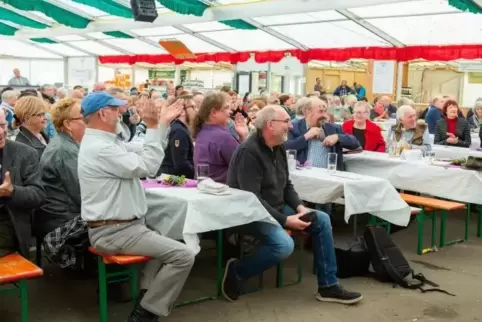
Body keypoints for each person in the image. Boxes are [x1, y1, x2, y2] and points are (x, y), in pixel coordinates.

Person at [225, 105, 363, 305]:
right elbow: (251, 198)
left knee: (321, 219)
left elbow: (286, 186)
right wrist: (286, 220)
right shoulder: (249, 151)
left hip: (275, 208)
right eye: (286, 122)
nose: (290, 127)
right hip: (249, 213)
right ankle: (238, 271)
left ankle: (328, 286)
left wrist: (300, 208)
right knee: (283, 245)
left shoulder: (278, 146)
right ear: (270, 125)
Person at [78, 92, 195, 322]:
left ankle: (146, 297)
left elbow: (143, 149)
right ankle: (145, 314)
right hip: (115, 231)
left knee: (168, 234)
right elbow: (147, 166)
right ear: (103, 113)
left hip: (120, 227)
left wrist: (160, 124)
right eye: (117, 109)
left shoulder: (102, 142)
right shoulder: (101, 147)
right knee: (184, 255)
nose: (123, 112)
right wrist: (154, 125)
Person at [0, 108, 45, 258]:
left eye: (3, 125)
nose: (1, 132)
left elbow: (38, 195)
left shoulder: (25, 153)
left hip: (7, 224)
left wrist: (12, 191)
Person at [38, 98, 85, 237]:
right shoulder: (66, 150)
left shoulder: (64, 143)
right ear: (68, 124)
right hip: (65, 219)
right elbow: (82, 194)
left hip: (61, 214)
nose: (88, 122)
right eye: (83, 118)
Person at [285, 97, 360, 170]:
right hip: (303, 175)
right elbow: (285, 148)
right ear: (307, 112)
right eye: (321, 111)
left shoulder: (334, 128)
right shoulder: (293, 127)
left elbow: (355, 143)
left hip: (329, 176)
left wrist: (338, 137)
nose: (325, 115)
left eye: (325, 111)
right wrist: (305, 137)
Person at [193, 92, 248, 183]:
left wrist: (242, 136)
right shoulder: (223, 137)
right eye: (226, 108)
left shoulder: (202, 132)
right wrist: (245, 137)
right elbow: (243, 165)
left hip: (205, 188)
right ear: (214, 112)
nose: (230, 111)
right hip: (222, 191)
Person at [158, 95, 196, 179]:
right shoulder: (179, 131)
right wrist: (196, 173)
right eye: (193, 107)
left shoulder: (179, 128)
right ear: (182, 111)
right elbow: (180, 163)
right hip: (173, 180)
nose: (196, 110)